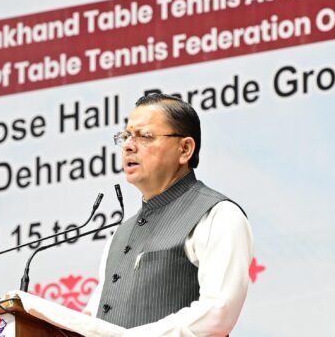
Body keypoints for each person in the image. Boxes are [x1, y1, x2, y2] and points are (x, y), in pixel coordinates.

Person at [83, 93, 253, 336]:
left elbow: (217, 313)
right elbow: (91, 320)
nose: (129, 145)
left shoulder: (218, 215)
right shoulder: (120, 235)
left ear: (185, 149)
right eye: (126, 136)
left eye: (145, 136)